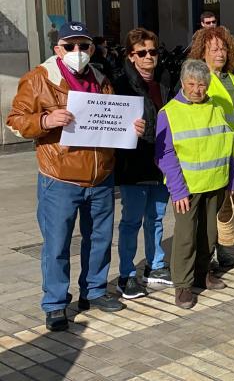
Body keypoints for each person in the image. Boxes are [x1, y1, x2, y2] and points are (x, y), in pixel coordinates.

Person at [6, 21, 145, 331]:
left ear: (92, 48)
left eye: (84, 45)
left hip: (100, 177)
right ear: (58, 49)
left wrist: (131, 128)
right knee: (57, 244)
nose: (78, 52)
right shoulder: (39, 79)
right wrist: (46, 118)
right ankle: (55, 303)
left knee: (99, 239)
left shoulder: (100, 78)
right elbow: (14, 121)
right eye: (70, 46)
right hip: (60, 177)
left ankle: (93, 291)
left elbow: (114, 121)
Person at [155, 59, 234, 309]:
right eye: (192, 84)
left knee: (209, 235)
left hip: (216, 183)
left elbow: (226, 145)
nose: (197, 90)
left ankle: (202, 274)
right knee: (186, 237)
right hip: (187, 188)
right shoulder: (169, 112)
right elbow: (165, 155)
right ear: (182, 83)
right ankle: (183, 285)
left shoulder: (217, 107)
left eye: (202, 85)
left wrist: (231, 183)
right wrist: (178, 190)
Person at [190, 26, 234, 268]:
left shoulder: (233, 80)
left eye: (223, 48)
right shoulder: (201, 81)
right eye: (214, 49)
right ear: (202, 53)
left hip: (231, 157)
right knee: (207, 208)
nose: (220, 53)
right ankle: (206, 255)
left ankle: (219, 249)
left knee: (223, 206)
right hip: (208, 157)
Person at [113, 28, 174, 300]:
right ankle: (126, 274)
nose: (149, 57)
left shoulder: (165, 79)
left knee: (157, 217)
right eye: (142, 53)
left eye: (153, 51)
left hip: (161, 161)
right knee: (131, 221)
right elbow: (111, 124)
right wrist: (127, 128)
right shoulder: (120, 84)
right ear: (131, 56)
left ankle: (155, 265)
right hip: (133, 163)